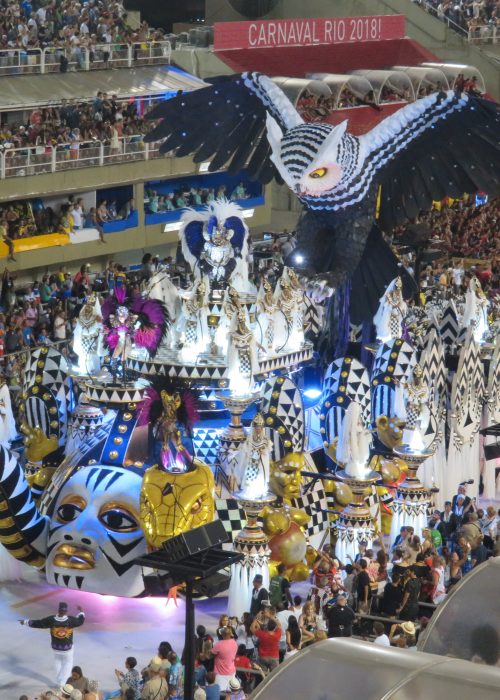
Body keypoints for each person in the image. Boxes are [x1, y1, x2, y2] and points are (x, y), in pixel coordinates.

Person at [19, 602, 85, 687]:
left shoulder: (51, 619)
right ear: (66, 611)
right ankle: (62, 684)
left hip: (55, 648)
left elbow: (38, 623)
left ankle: (59, 681)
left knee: (57, 662)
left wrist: (25, 622)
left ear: (58, 610)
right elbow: (80, 621)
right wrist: (81, 611)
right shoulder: (71, 620)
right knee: (67, 664)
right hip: (67, 650)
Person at [212, 626, 237, 691]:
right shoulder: (234, 642)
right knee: (230, 693)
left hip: (221, 675)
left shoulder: (219, 644)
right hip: (231, 672)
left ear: (223, 635)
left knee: (220, 693)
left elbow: (212, 653)